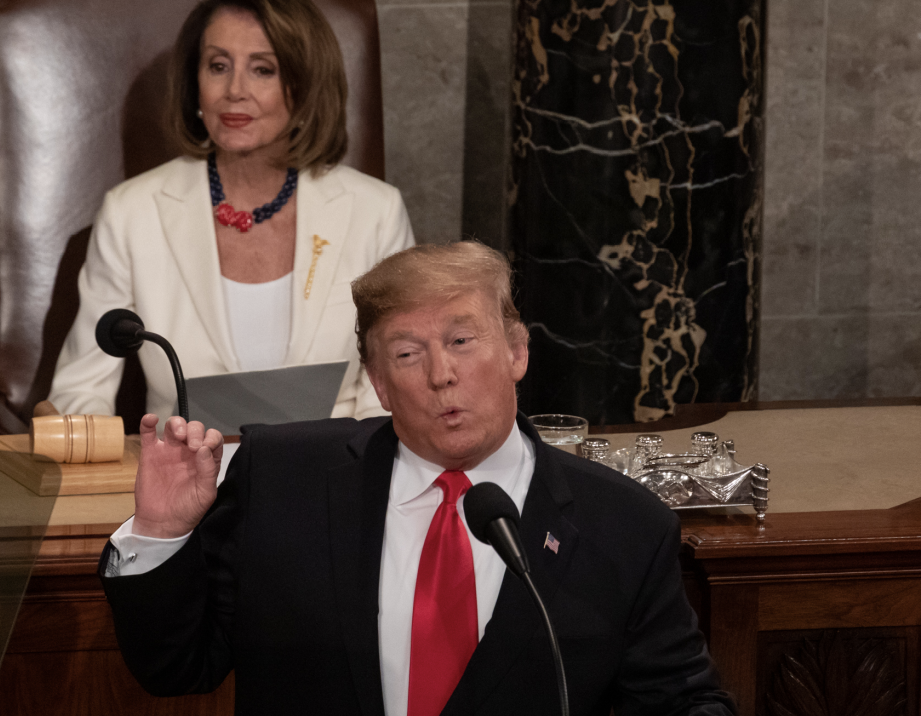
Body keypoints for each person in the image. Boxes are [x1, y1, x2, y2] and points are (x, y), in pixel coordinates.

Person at [100, 242, 736, 716]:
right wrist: (161, 533)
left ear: (516, 351)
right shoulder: (281, 481)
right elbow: (176, 668)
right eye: (407, 353)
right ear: (377, 381)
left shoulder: (622, 525)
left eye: (463, 340)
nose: (441, 375)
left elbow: (681, 702)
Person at [49, 0, 414, 421]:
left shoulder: (375, 213)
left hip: (331, 478)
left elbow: (393, 389)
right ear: (195, 83)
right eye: (218, 66)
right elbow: (79, 393)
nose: (234, 90)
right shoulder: (132, 213)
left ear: (303, 87)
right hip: (182, 478)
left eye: (263, 69)